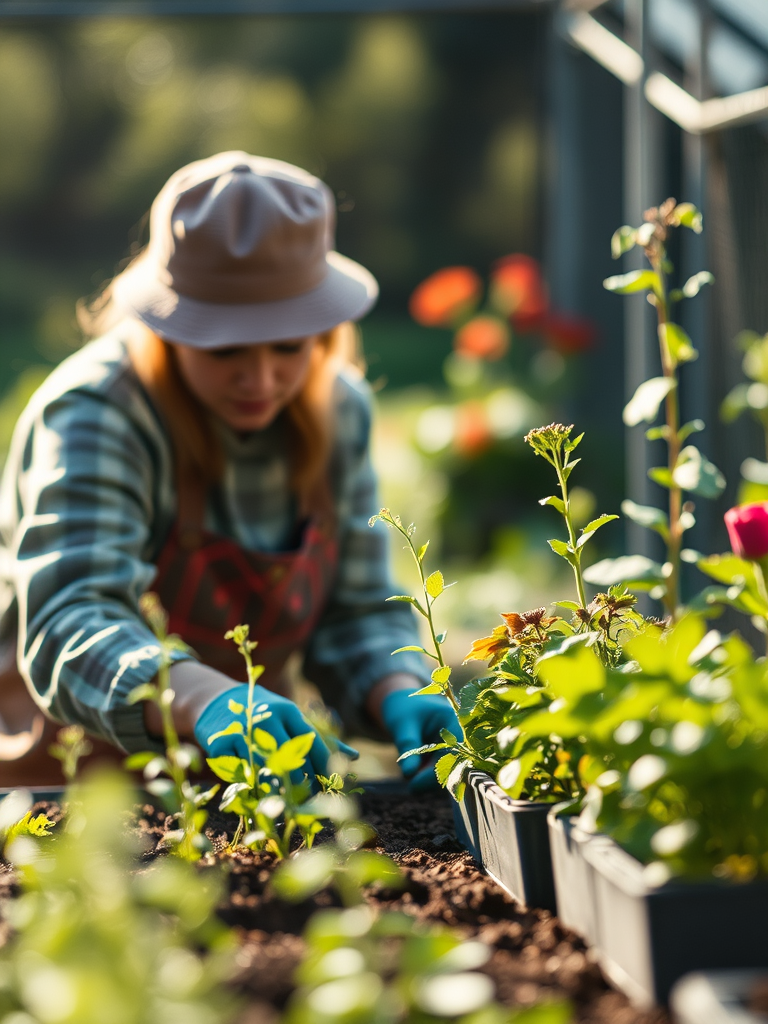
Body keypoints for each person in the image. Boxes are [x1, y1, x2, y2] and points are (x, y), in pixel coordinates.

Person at [0, 151, 458, 789]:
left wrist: (396, 685)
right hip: (72, 774)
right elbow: (71, 619)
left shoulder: (337, 410)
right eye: (226, 349)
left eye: (288, 346)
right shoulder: (97, 411)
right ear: (168, 326)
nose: (260, 379)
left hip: (257, 778)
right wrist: (203, 699)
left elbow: (355, 609)